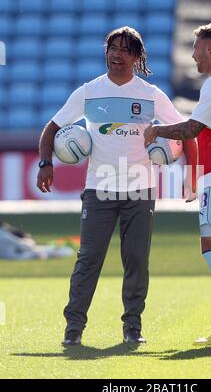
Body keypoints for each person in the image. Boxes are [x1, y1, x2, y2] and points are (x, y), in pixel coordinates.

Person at [37, 26, 197, 346]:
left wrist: (193, 175)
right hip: (99, 189)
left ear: (136, 57)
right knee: (89, 259)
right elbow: (51, 129)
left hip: (140, 190)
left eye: (124, 49)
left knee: (136, 259)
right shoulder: (88, 91)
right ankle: (74, 328)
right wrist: (46, 163)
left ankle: (132, 327)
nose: (116, 53)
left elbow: (186, 131)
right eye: (112, 47)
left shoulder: (151, 94)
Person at [144, 22, 211, 346]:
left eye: (196, 48)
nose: (192, 55)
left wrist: (157, 131)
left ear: (210, 48)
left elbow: (192, 128)